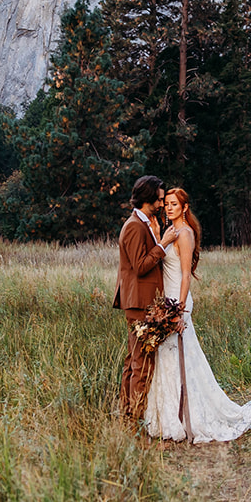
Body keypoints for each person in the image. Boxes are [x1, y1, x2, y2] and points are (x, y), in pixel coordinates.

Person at [144, 187, 251, 443]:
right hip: (166, 301)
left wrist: (179, 311)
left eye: (174, 204)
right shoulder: (169, 232)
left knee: (180, 356)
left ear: (185, 208)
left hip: (177, 302)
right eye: (167, 204)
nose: (169, 208)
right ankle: (169, 416)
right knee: (167, 357)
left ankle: (188, 416)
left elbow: (185, 275)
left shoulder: (185, 234)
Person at [114, 174, 169, 418]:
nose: (161, 204)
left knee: (133, 361)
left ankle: (127, 414)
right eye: (158, 200)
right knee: (142, 365)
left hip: (142, 302)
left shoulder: (145, 223)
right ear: (147, 199)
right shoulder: (135, 226)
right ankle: (135, 421)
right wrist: (163, 245)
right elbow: (140, 266)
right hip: (139, 304)